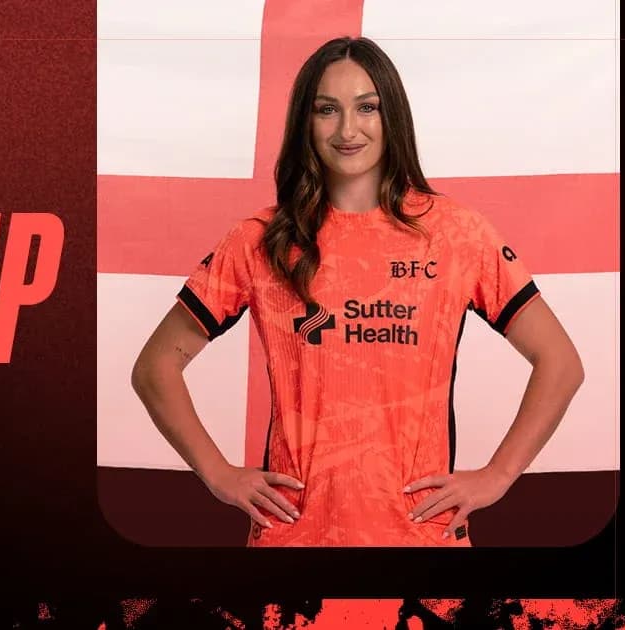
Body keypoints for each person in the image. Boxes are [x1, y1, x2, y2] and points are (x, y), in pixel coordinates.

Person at [130, 36, 584, 547]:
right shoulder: (260, 240)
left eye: (367, 107)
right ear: (305, 120)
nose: (348, 129)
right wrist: (219, 475)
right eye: (328, 109)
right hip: (294, 539)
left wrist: (498, 476)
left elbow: (561, 362)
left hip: (420, 539)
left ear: (392, 116)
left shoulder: (458, 235)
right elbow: (154, 368)